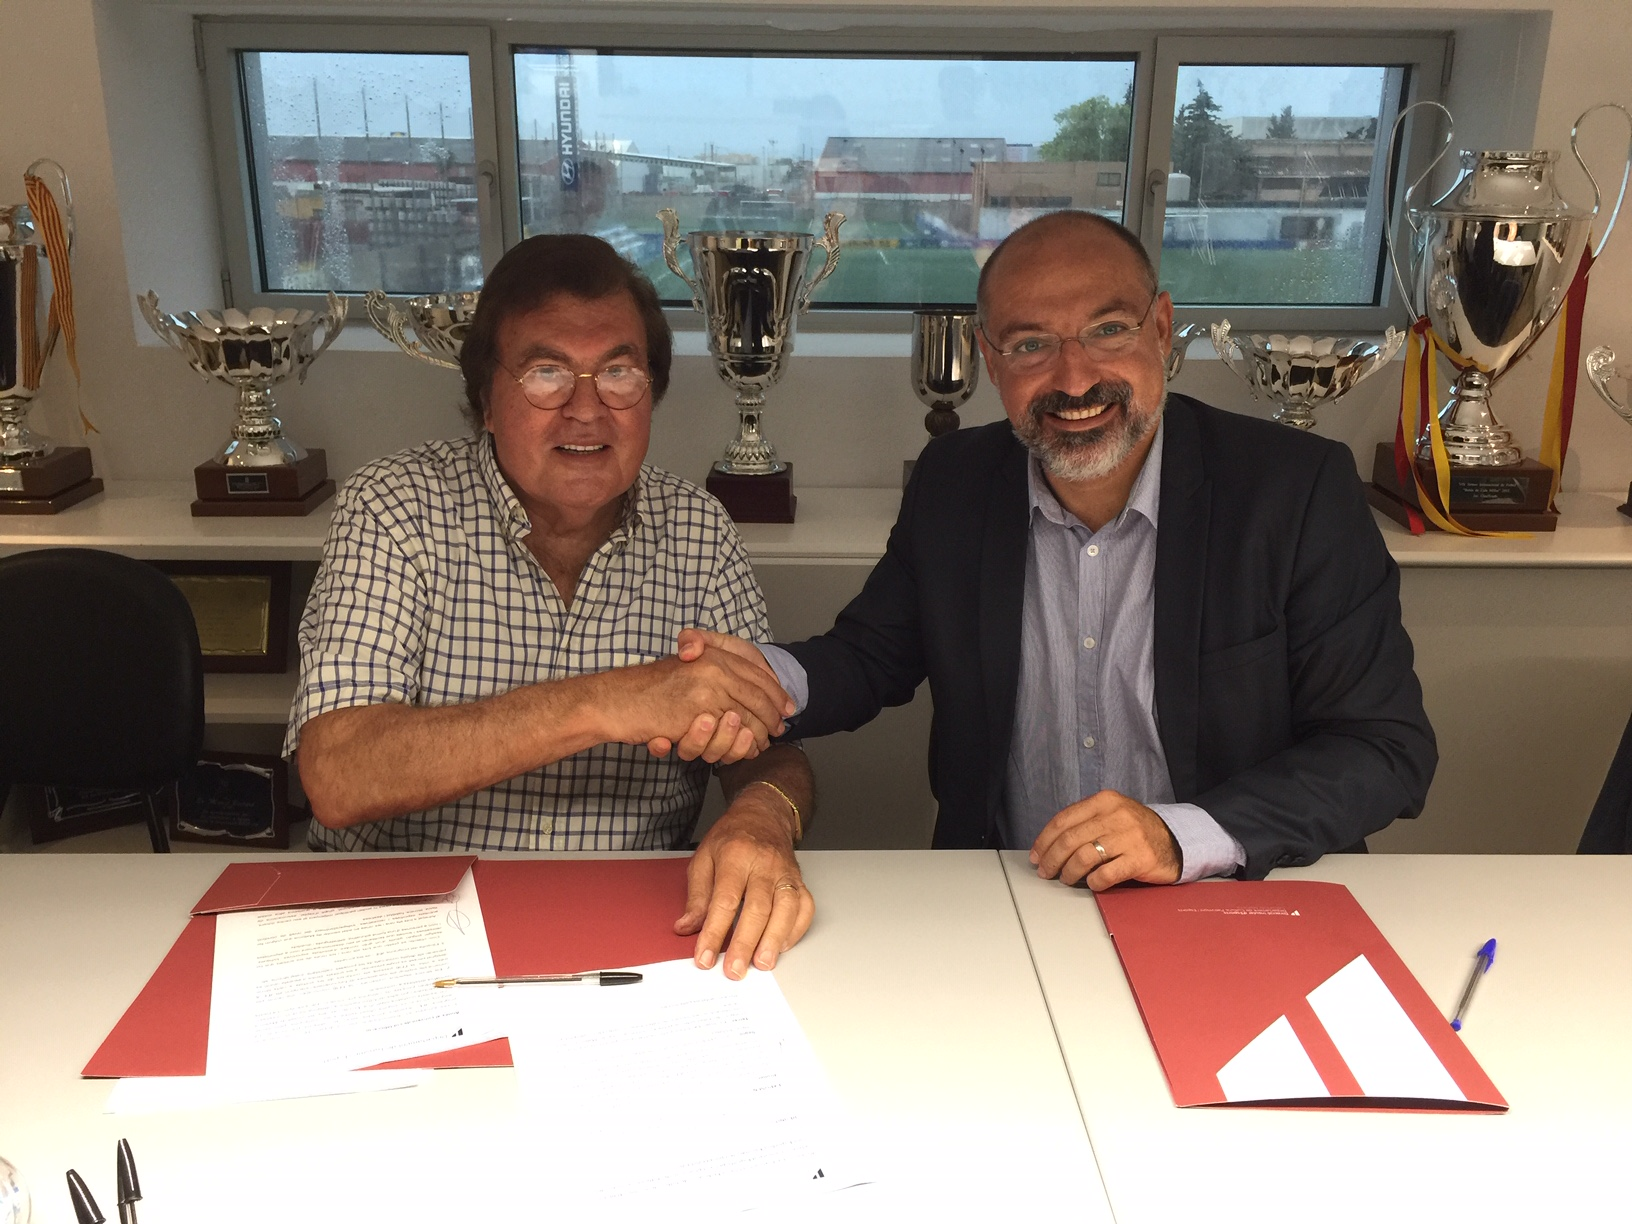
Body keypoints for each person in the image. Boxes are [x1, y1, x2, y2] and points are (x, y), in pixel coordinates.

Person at [674, 209, 1435, 887]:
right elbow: (870, 656)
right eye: (1031, 344)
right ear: (989, 359)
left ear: (1163, 331)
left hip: (1228, 890)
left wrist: (1180, 835)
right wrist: (748, 678)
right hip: (1014, 896)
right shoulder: (957, 482)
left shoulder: (1293, 490)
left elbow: (1384, 748)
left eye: (1109, 331)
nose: (1074, 379)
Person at [286, 234, 813, 979]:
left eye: (620, 373)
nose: (586, 411)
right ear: (486, 401)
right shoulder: (394, 507)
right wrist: (607, 702)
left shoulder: (699, 527)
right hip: (400, 926)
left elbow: (773, 743)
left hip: (638, 925)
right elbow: (336, 775)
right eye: (546, 374)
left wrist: (763, 815)